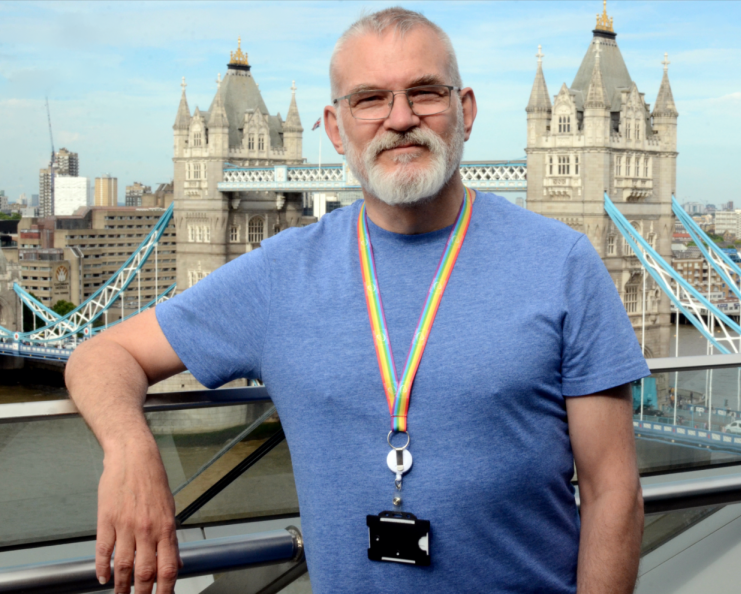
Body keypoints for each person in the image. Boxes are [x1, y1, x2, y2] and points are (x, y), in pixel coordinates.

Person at [65, 8, 649, 594]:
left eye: (425, 92)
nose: (400, 118)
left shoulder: (564, 263)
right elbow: (100, 356)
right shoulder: (279, 272)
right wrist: (130, 450)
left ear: (465, 111)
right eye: (369, 99)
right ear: (335, 127)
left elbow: (612, 492)